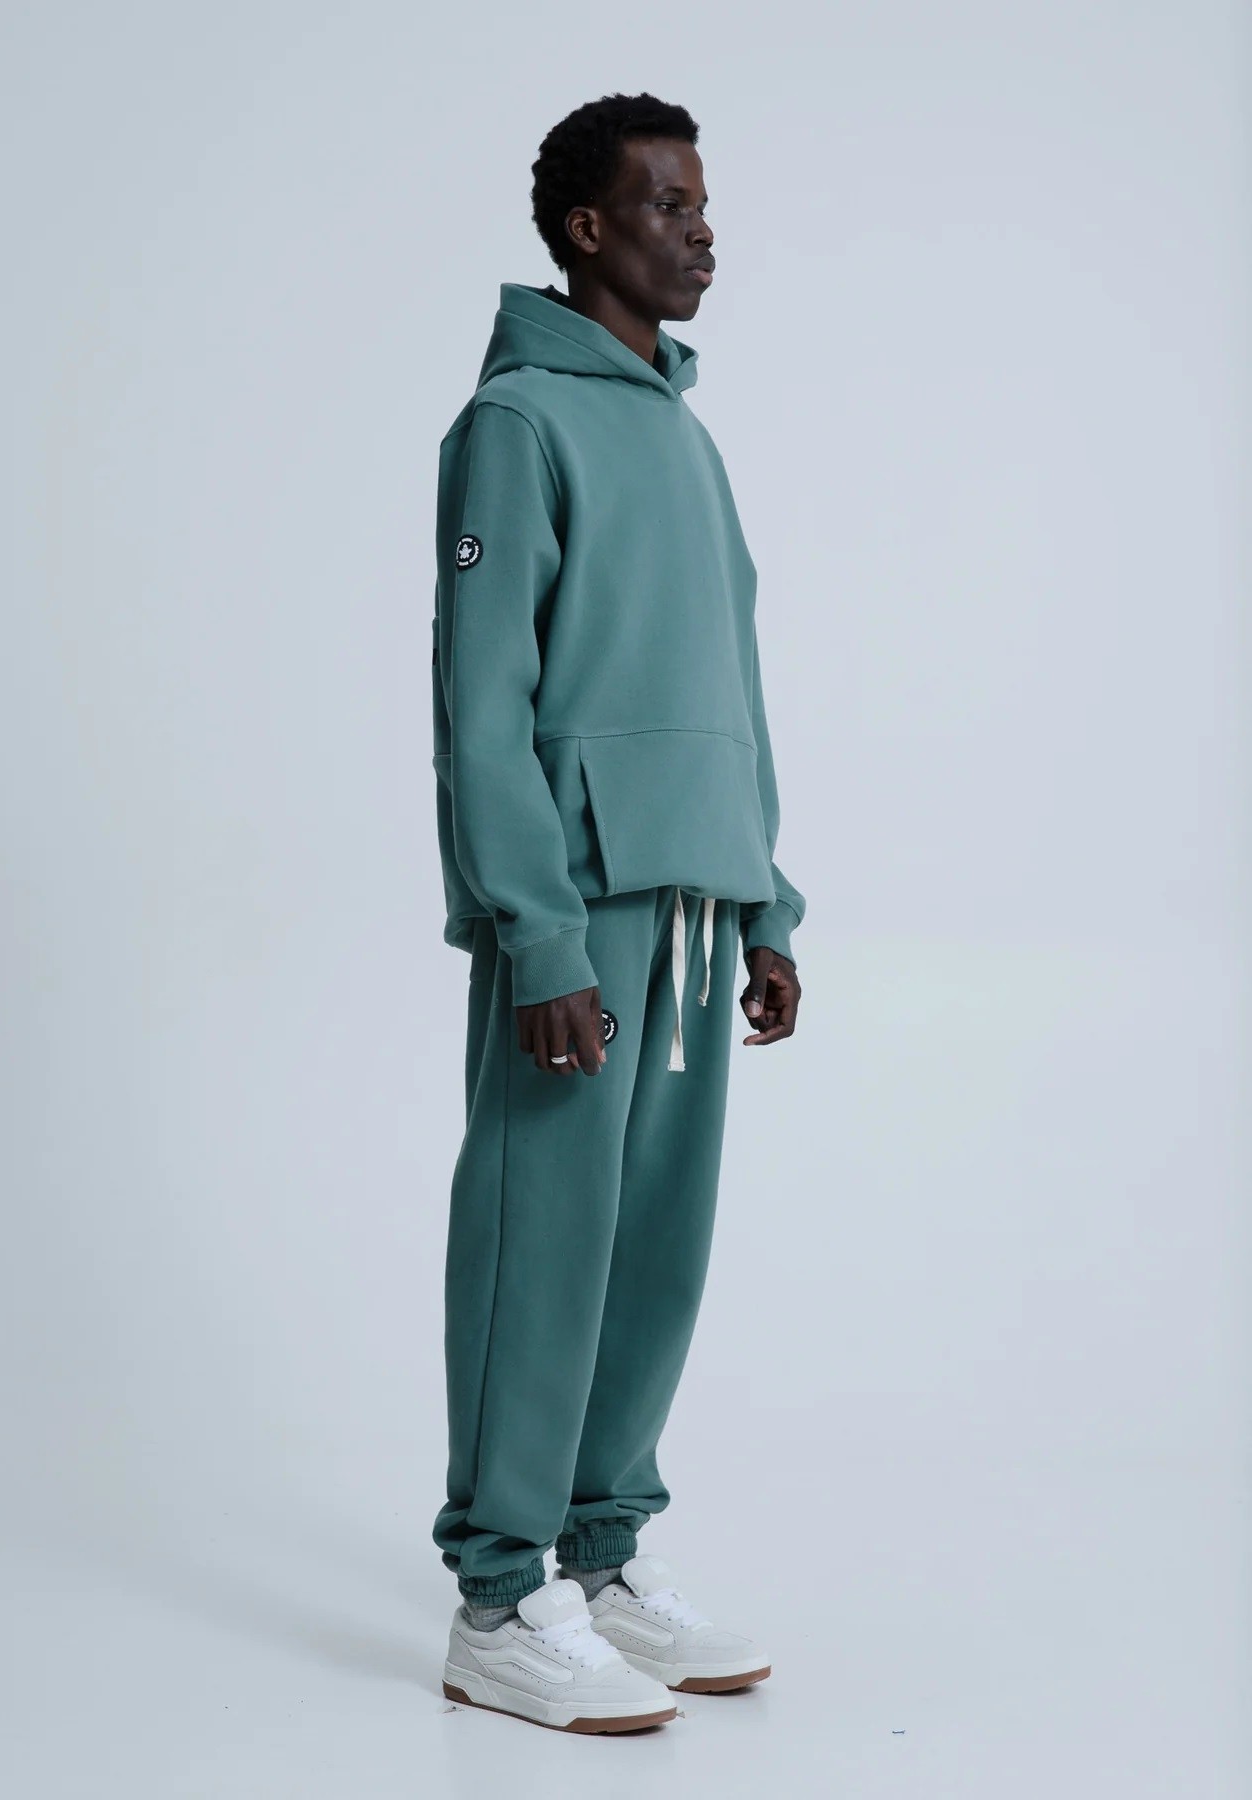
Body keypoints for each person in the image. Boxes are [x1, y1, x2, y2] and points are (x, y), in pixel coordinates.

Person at [428, 91, 806, 1734]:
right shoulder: (515, 423)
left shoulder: (685, 437)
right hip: (576, 910)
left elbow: (730, 686)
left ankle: (597, 1551)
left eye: (702, 204)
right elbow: (480, 705)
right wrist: (535, 931)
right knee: (544, 1238)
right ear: (587, 228)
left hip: (699, 904)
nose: (699, 230)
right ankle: (497, 1595)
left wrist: (769, 901)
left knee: (655, 1248)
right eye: (666, 204)